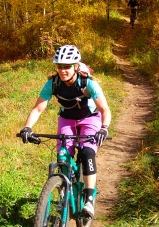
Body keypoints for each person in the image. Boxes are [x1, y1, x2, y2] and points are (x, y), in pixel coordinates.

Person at [18, 45, 111, 217]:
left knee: (86, 153)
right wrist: (27, 127)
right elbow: (38, 109)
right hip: (67, 119)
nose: (63, 70)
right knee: (62, 156)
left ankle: (89, 198)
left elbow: (105, 110)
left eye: (67, 66)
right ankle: (63, 192)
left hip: (89, 118)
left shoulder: (88, 83)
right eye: (59, 66)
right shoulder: (53, 83)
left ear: (76, 66)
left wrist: (104, 128)